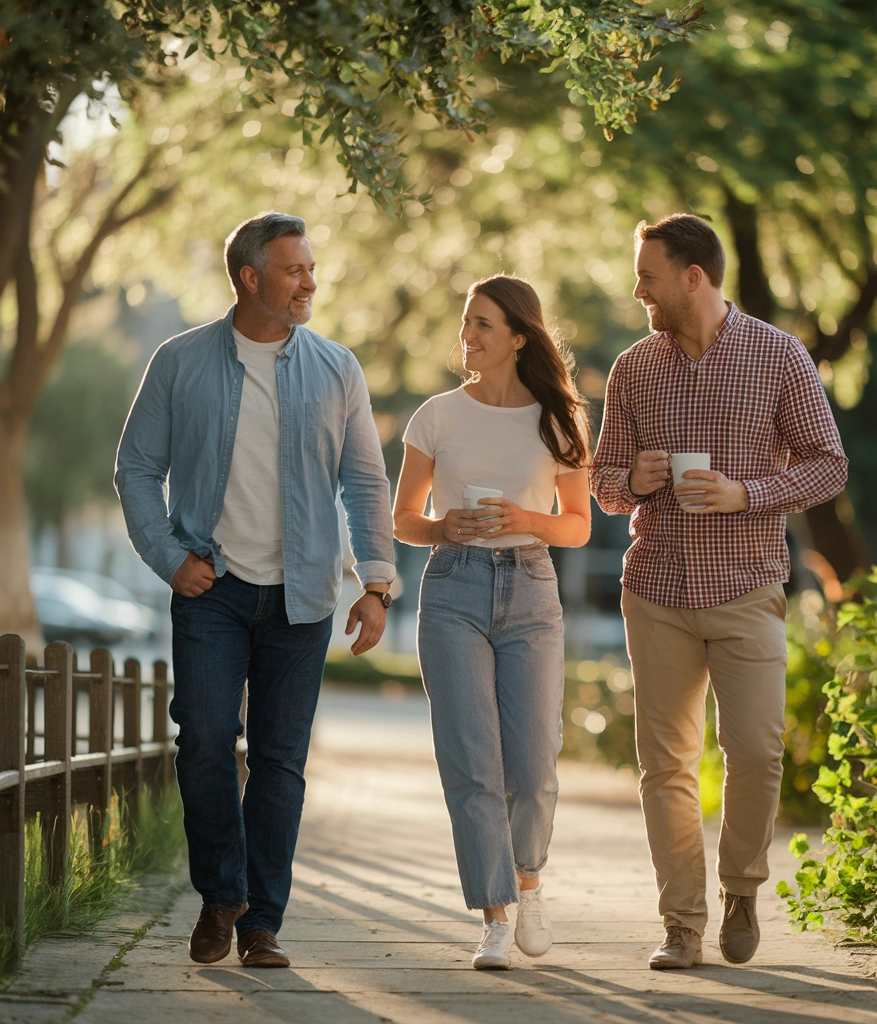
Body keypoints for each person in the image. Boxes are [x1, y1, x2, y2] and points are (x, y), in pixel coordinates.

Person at [115, 212, 395, 969]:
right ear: (250, 276)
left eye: (310, 267)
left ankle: (261, 923)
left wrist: (376, 582)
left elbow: (366, 480)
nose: (311, 280)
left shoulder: (338, 368)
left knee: (279, 761)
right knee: (204, 742)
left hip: (302, 597)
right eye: (295, 268)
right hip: (213, 590)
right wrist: (169, 557)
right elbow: (137, 468)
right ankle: (221, 895)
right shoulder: (180, 362)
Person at [591, 214, 848, 970]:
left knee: (757, 751)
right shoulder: (634, 367)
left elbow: (828, 465)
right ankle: (681, 924)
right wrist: (629, 480)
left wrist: (748, 494)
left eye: (648, 276)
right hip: (658, 588)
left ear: (692, 277)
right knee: (665, 765)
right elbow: (602, 483)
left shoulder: (779, 356)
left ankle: (740, 889)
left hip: (747, 587)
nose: (638, 289)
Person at [393, 274, 591, 970]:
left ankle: (529, 882)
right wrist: (445, 526)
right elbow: (404, 519)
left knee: (533, 766)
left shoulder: (559, 420)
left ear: (517, 337)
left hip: (531, 589)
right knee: (472, 763)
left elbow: (575, 528)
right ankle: (495, 916)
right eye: (466, 322)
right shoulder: (436, 417)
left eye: (482, 324)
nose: (467, 335)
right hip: (452, 588)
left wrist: (524, 519)